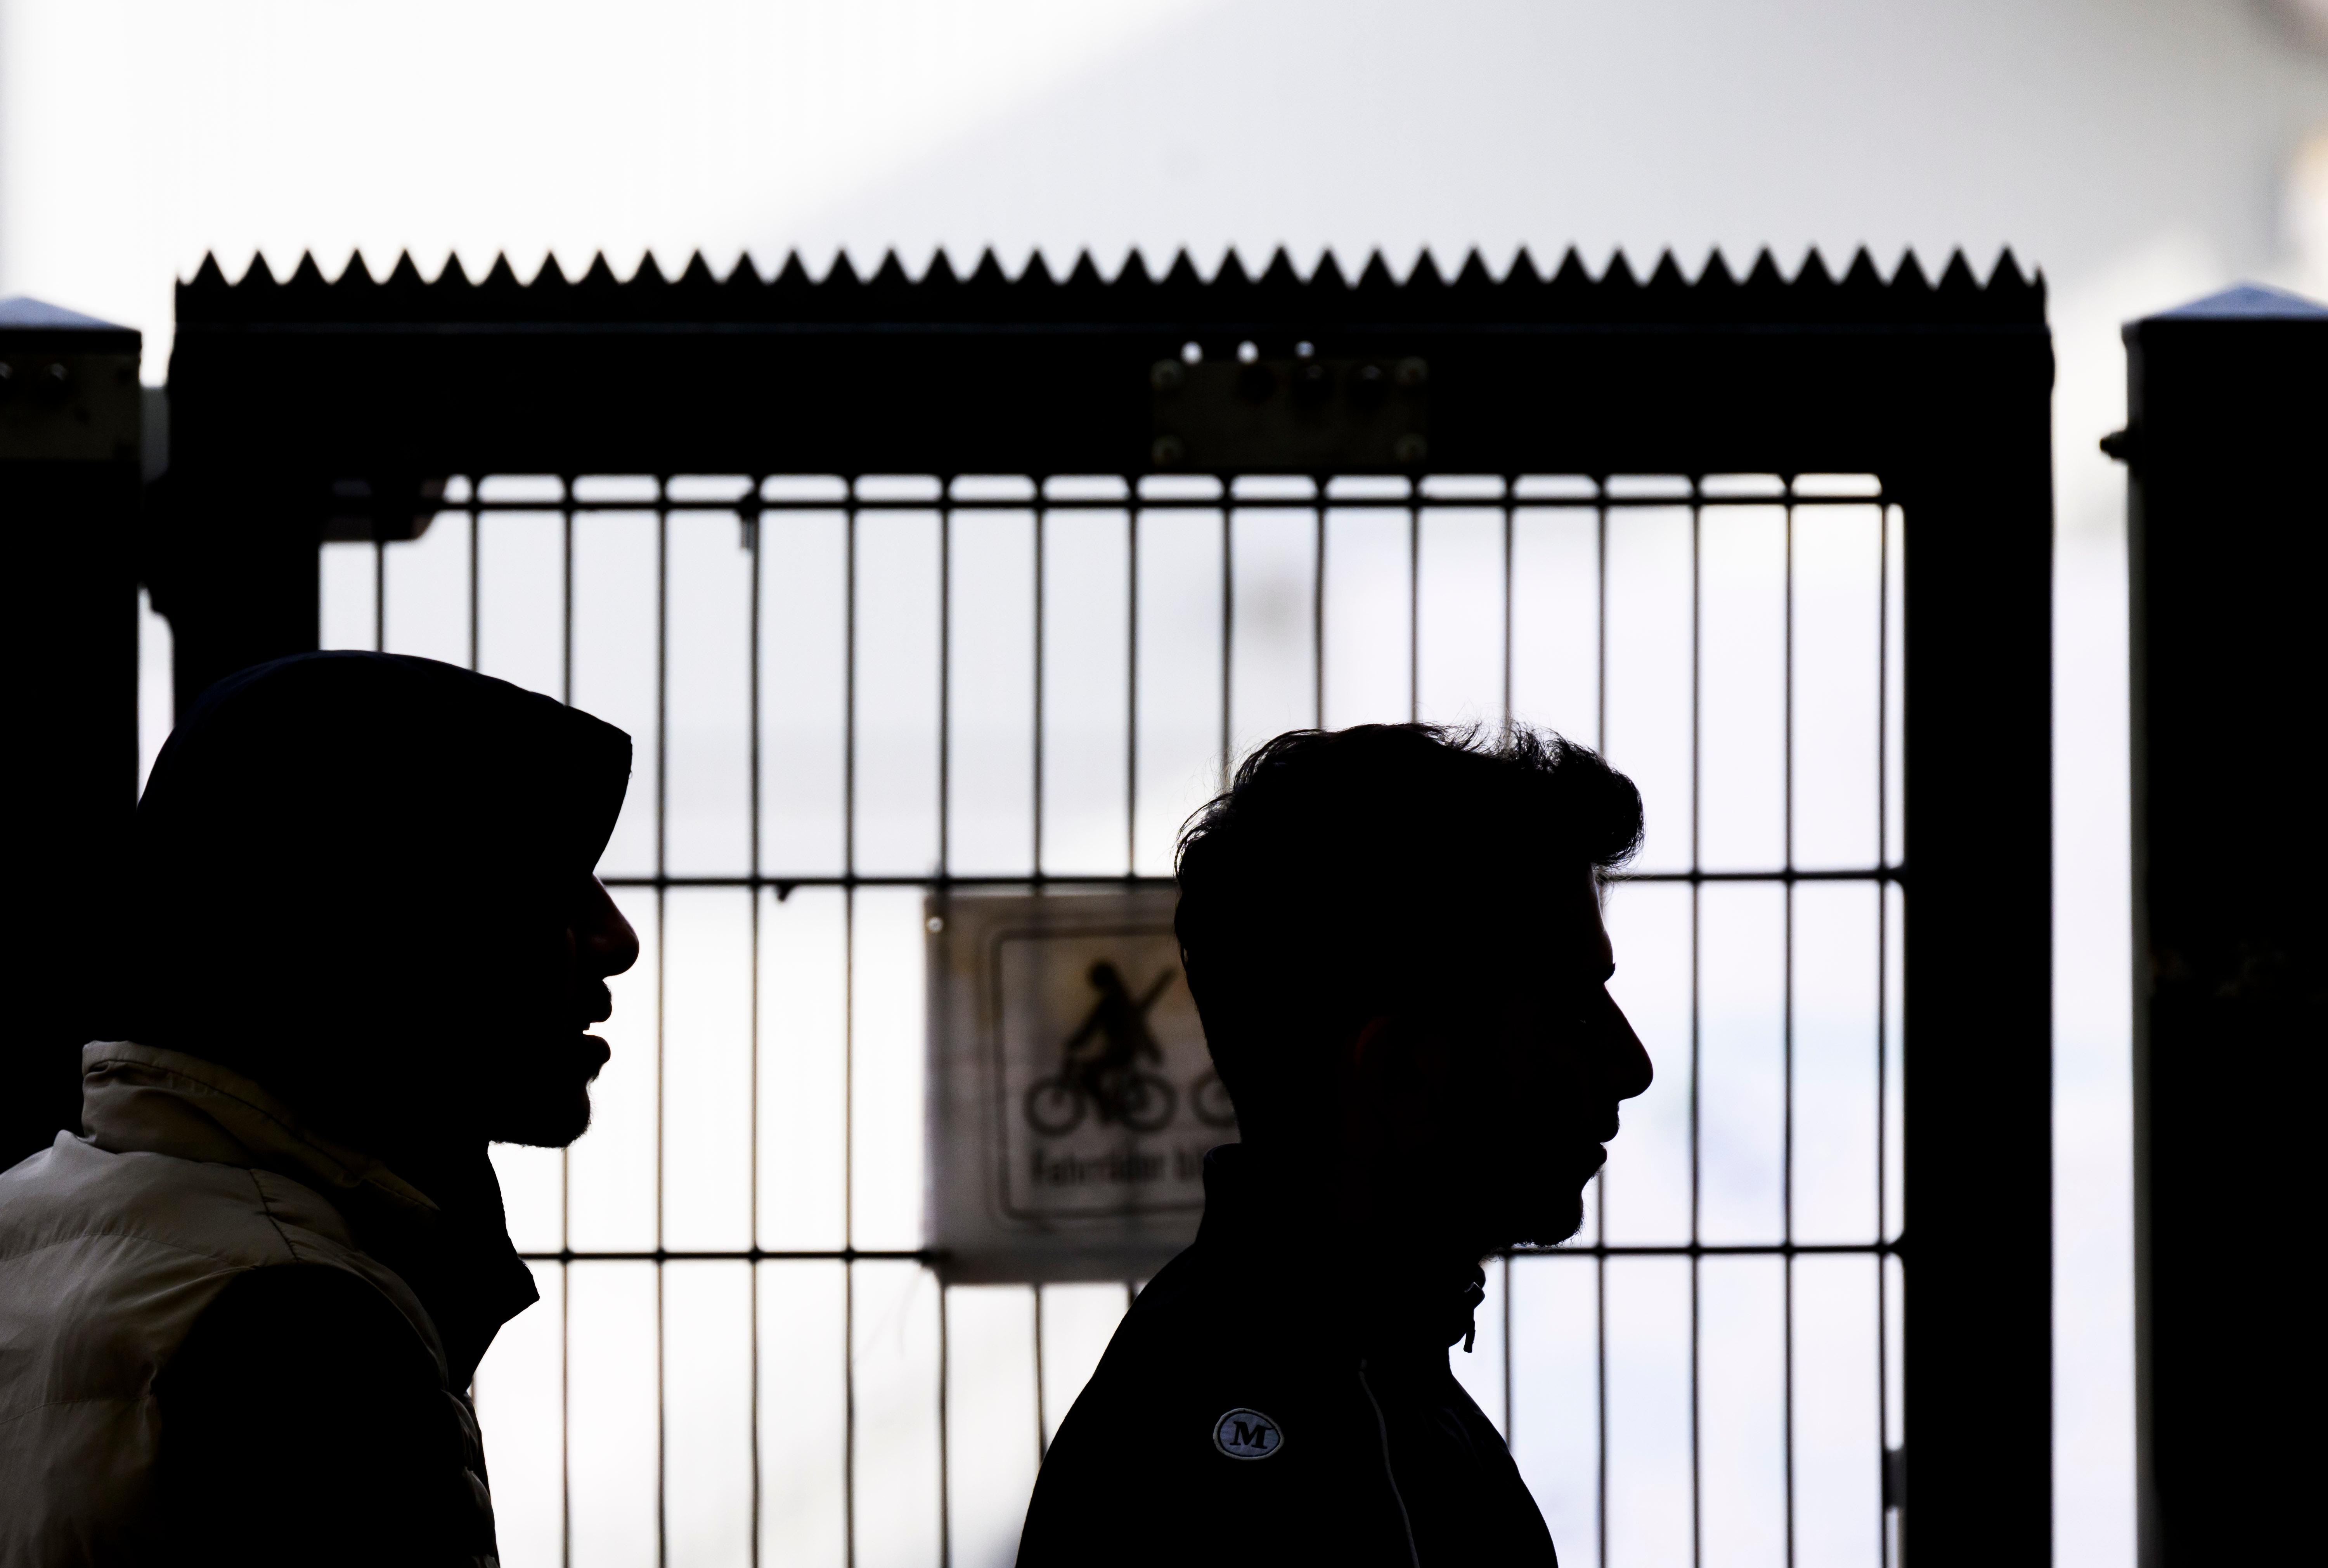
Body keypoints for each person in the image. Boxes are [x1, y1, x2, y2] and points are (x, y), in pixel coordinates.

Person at [0, 651, 639, 1567]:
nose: (618, 940)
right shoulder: (305, 1339)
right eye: (548, 885)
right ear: (390, 922)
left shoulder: (27, 1228)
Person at [1015, 724, 1654, 1568]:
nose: (1631, 1064)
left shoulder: (1347, 1374)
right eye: (1572, 1011)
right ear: (1401, 1073)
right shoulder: (1303, 1441)